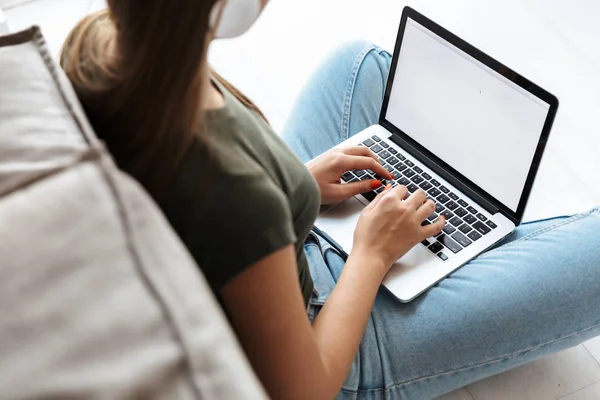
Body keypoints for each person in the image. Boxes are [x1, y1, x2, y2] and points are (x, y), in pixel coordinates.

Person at [60, 1, 600, 399]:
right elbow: (306, 388)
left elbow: (224, 200)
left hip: (277, 249)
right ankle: (476, 254)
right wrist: (370, 254)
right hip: (327, 342)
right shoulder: (232, 198)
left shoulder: (99, 45)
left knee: (357, 64)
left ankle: (468, 249)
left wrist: (296, 184)